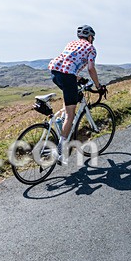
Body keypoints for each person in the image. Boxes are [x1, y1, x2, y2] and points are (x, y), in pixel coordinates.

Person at [48, 25, 106, 164]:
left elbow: (67, 64)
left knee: (70, 99)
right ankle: (60, 151)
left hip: (55, 72)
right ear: (91, 37)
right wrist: (98, 86)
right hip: (68, 76)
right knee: (71, 114)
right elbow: (91, 68)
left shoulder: (71, 43)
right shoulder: (91, 48)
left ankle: (60, 120)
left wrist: (79, 78)